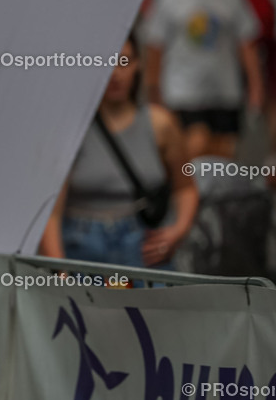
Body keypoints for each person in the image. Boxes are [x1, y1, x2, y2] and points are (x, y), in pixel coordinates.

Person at [41, 35, 199, 272]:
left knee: (152, 309)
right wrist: (59, 270)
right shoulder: (70, 128)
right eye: (107, 63)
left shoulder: (161, 124)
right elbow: (51, 211)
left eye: (124, 62)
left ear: (138, 65)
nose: (116, 73)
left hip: (144, 246)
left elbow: (185, 187)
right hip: (82, 245)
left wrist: (179, 230)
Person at [143, 0, 264, 160]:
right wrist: (153, 91)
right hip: (183, 90)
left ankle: (220, 195)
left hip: (225, 89)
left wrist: (256, 86)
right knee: (195, 146)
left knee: (225, 153)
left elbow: (246, 42)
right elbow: (155, 47)